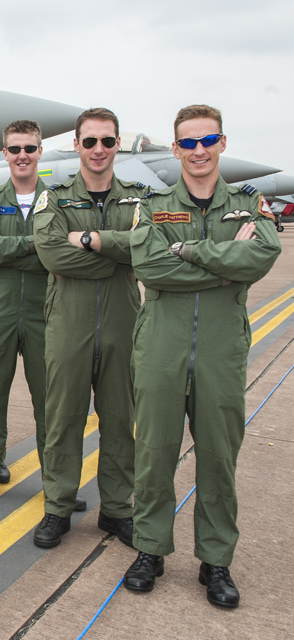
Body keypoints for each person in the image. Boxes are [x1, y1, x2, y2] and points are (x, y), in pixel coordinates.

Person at [122, 105, 280, 608]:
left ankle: (216, 561)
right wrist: (223, 259)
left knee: (218, 456)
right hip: (161, 348)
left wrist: (188, 252)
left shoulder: (249, 203)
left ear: (222, 142)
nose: (198, 151)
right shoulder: (151, 205)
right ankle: (150, 549)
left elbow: (261, 256)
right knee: (153, 454)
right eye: (188, 143)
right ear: (175, 149)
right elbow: (149, 266)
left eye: (206, 140)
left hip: (221, 349)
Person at [32, 108, 150, 548]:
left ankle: (117, 510)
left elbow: (148, 251)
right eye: (89, 141)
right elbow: (52, 256)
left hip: (123, 326)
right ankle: (58, 508)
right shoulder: (56, 198)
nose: (98, 149)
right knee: (63, 419)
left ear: (117, 144)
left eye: (106, 141)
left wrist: (90, 240)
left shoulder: (139, 199)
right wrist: (118, 258)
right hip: (68, 326)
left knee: (121, 421)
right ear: (76, 146)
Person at [0, 120, 80, 507]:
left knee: (51, 403)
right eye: (14, 149)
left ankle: (56, 484)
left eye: (29, 148)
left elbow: (60, 252)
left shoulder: (59, 200)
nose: (22, 156)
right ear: (5, 153)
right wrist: (38, 247)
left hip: (45, 312)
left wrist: (12, 246)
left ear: (40, 151)